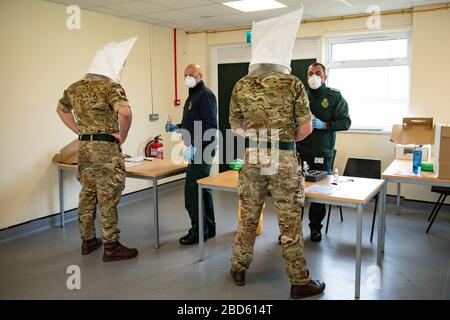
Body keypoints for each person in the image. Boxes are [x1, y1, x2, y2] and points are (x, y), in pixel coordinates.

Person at [228, 8, 325, 299]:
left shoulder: (241, 85)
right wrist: (284, 142)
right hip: (283, 159)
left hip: (254, 156)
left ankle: (238, 267)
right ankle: (298, 282)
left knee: (248, 215)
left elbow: (235, 126)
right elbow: (306, 128)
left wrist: (259, 138)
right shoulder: (293, 83)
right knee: (289, 220)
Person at [56, 37, 139, 262]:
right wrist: (123, 135)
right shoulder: (110, 87)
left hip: (83, 147)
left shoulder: (75, 88)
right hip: (105, 148)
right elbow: (126, 113)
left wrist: (79, 130)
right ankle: (111, 245)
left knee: (87, 192)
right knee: (108, 194)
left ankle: (87, 240)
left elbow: (60, 109)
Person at [297, 62, 351, 242]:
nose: (313, 76)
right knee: (294, 192)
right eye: (310, 73)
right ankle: (291, 230)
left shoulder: (333, 97)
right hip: (298, 152)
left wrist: (325, 125)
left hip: (322, 152)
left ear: (324, 77)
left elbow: (345, 122)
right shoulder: (299, 94)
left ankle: (315, 228)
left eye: (317, 73)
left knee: (319, 193)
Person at [166, 64, 218, 245]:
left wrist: (195, 146)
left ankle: (198, 232)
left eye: (191, 75)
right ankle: (209, 228)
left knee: (193, 191)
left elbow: (210, 126)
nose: (188, 77)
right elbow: (193, 122)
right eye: (185, 74)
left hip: (203, 148)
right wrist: (177, 127)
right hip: (198, 147)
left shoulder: (205, 95)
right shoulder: (192, 96)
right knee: (203, 189)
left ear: (200, 75)